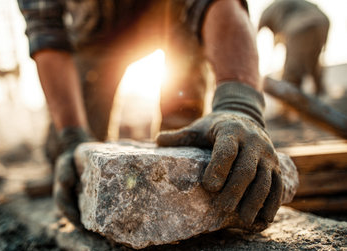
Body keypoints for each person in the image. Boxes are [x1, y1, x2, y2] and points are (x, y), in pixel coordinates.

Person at [18, 0, 283, 229]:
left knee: (194, 155)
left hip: (171, 15)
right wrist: (71, 134)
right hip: (93, 39)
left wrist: (240, 104)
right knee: (69, 158)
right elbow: (47, 33)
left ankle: (181, 137)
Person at [259, 0, 330, 96]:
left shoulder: (267, 14)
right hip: (322, 21)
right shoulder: (281, 9)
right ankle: (322, 96)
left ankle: (287, 106)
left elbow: (256, 33)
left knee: (291, 75)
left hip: (301, 26)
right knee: (313, 65)